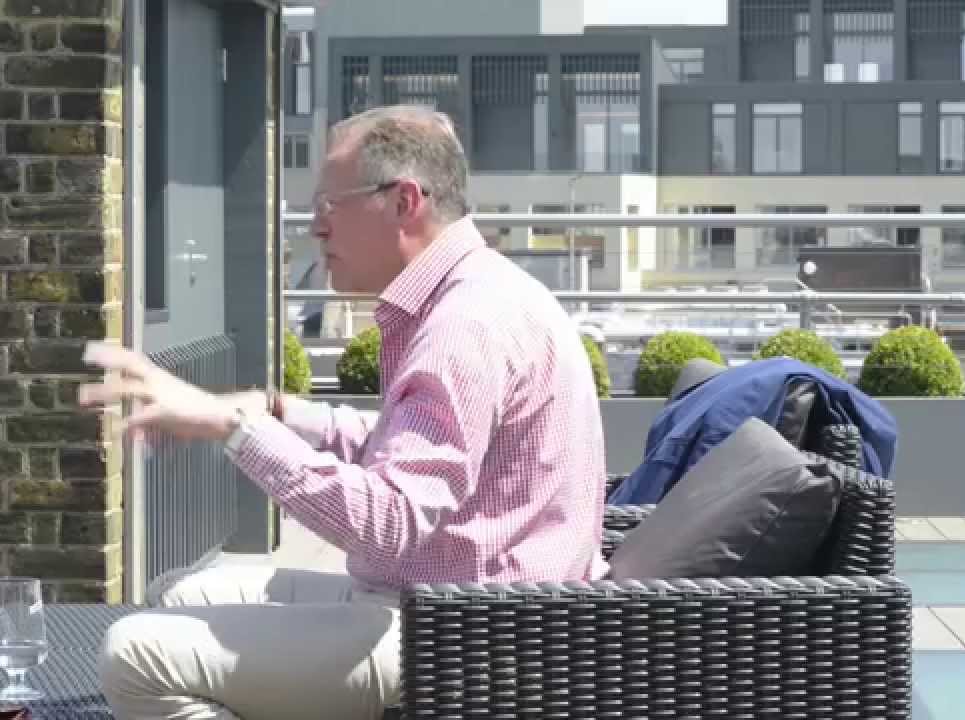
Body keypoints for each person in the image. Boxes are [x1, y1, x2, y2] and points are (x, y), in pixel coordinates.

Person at [79, 105, 609, 720]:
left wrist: (236, 430)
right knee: (179, 595)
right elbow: (408, 447)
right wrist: (275, 411)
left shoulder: (466, 326)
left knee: (134, 655)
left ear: (404, 200)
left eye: (331, 204)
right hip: (442, 604)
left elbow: (387, 519)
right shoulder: (475, 293)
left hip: (467, 639)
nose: (316, 229)